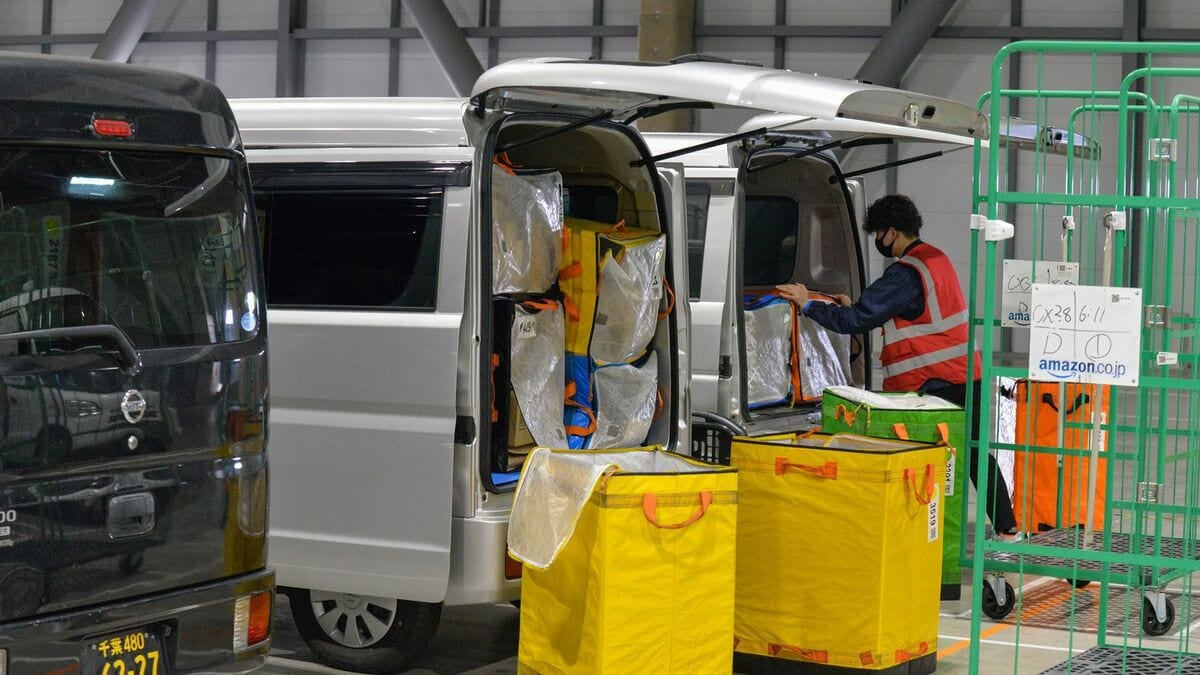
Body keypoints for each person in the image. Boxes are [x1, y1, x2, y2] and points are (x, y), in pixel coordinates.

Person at [776, 194, 1019, 540]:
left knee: (919, 459)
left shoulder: (906, 272)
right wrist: (853, 305)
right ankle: (1008, 529)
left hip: (934, 384)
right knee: (977, 454)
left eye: (878, 233)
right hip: (967, 374)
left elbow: (855, 321)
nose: (878, 240)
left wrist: (807, 303)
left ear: (891, 232)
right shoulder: (935, 259)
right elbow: (907, 312)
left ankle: (921, 534)